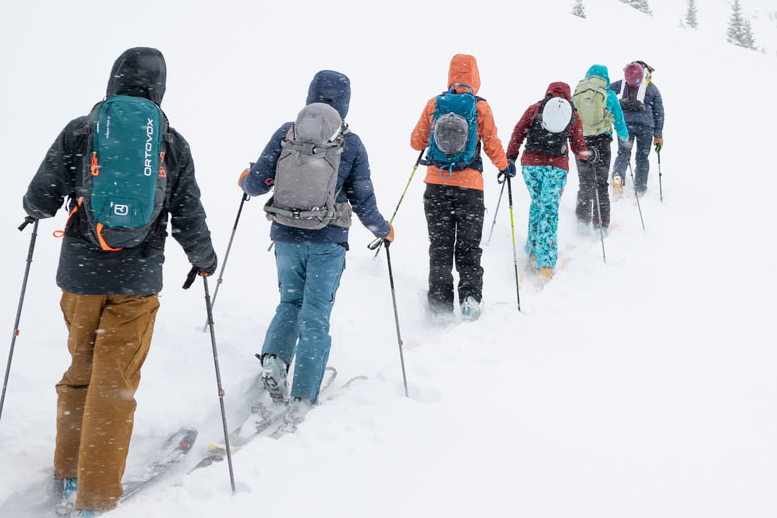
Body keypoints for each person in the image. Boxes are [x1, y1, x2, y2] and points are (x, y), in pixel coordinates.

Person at [22, 47, 215, 518]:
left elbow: (41, 196)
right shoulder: (170, 142)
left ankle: (68, 472)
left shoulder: (81, 130)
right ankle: (96, 499)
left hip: (79, 276)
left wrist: (35, 210)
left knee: (81, 370)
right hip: (137, 280)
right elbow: (187, 211)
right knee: (116, 385)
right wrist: (203, 258)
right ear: (159, 88)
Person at [240, 70, 393, 413]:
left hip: (286, 236)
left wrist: (246, 180)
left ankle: (275, 363)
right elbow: (363, 199)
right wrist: (382, 229)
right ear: (346, 103)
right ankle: (302, 395)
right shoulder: (350, 143)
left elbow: (257, 183)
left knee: (290, 302)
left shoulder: (287, 132)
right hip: (327, 239)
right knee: (316, 313)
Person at [409, 53, 509, 320]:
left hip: (436, 186)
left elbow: (416, 142)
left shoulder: (434, 103)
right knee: (468, 246)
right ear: (475, 77)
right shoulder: (480, 107)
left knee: (440, 246)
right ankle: (470, 298)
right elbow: (491, 144)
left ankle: (440, 305)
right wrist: (504, 166)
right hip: (470, 188)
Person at [504, 81, 594, 279]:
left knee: (537, 205)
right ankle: (545, 262)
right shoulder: (573, 114)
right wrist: (588, 156)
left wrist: (510, 157)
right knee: (549, 210)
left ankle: (533, 250)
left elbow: (518, 132)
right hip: (557, 167)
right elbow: (579, 147)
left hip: (531, 164)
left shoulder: (535, 109)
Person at [571, 65, 629, 231]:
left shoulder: (578, 93)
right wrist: (624, 137)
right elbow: (619, 120)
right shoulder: (609, 94)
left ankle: (582, 222)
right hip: (602, 141)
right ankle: (601, 226)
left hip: (581, 142)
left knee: (585, 182)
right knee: (601, 183)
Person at [610, 60, 665, 197]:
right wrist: (658, 135)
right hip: (646, 126)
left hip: (626, 124)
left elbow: (607, 90)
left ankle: (618, 175)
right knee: (642, 156)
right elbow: (659, 112)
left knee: (623, 152)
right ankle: (640, 186)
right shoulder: (651, 88)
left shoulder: (622, 84)